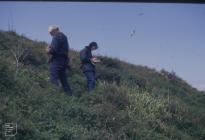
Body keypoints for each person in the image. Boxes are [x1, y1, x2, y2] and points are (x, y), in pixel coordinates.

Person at [45, 25, 72, 95]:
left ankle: (55, 96)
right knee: (64, 81)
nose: (51, 34)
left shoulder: (56, 36)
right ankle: (70, 96)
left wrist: (48, 50)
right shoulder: (64, 37)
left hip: (57, 61)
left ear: (56, 30)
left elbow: (53, 50)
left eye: (51, 32)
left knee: (53, 78)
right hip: (64, 61)